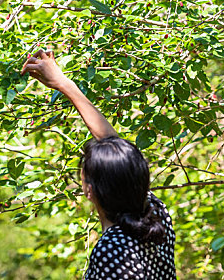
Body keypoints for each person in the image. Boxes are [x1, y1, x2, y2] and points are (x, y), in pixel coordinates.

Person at [21, 50, 176, 279]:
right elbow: (117, 151)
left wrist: (64, 84)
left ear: (90, 191)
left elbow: (117, 153)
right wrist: (63, 83)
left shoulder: (112, 250)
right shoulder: (155, 216)